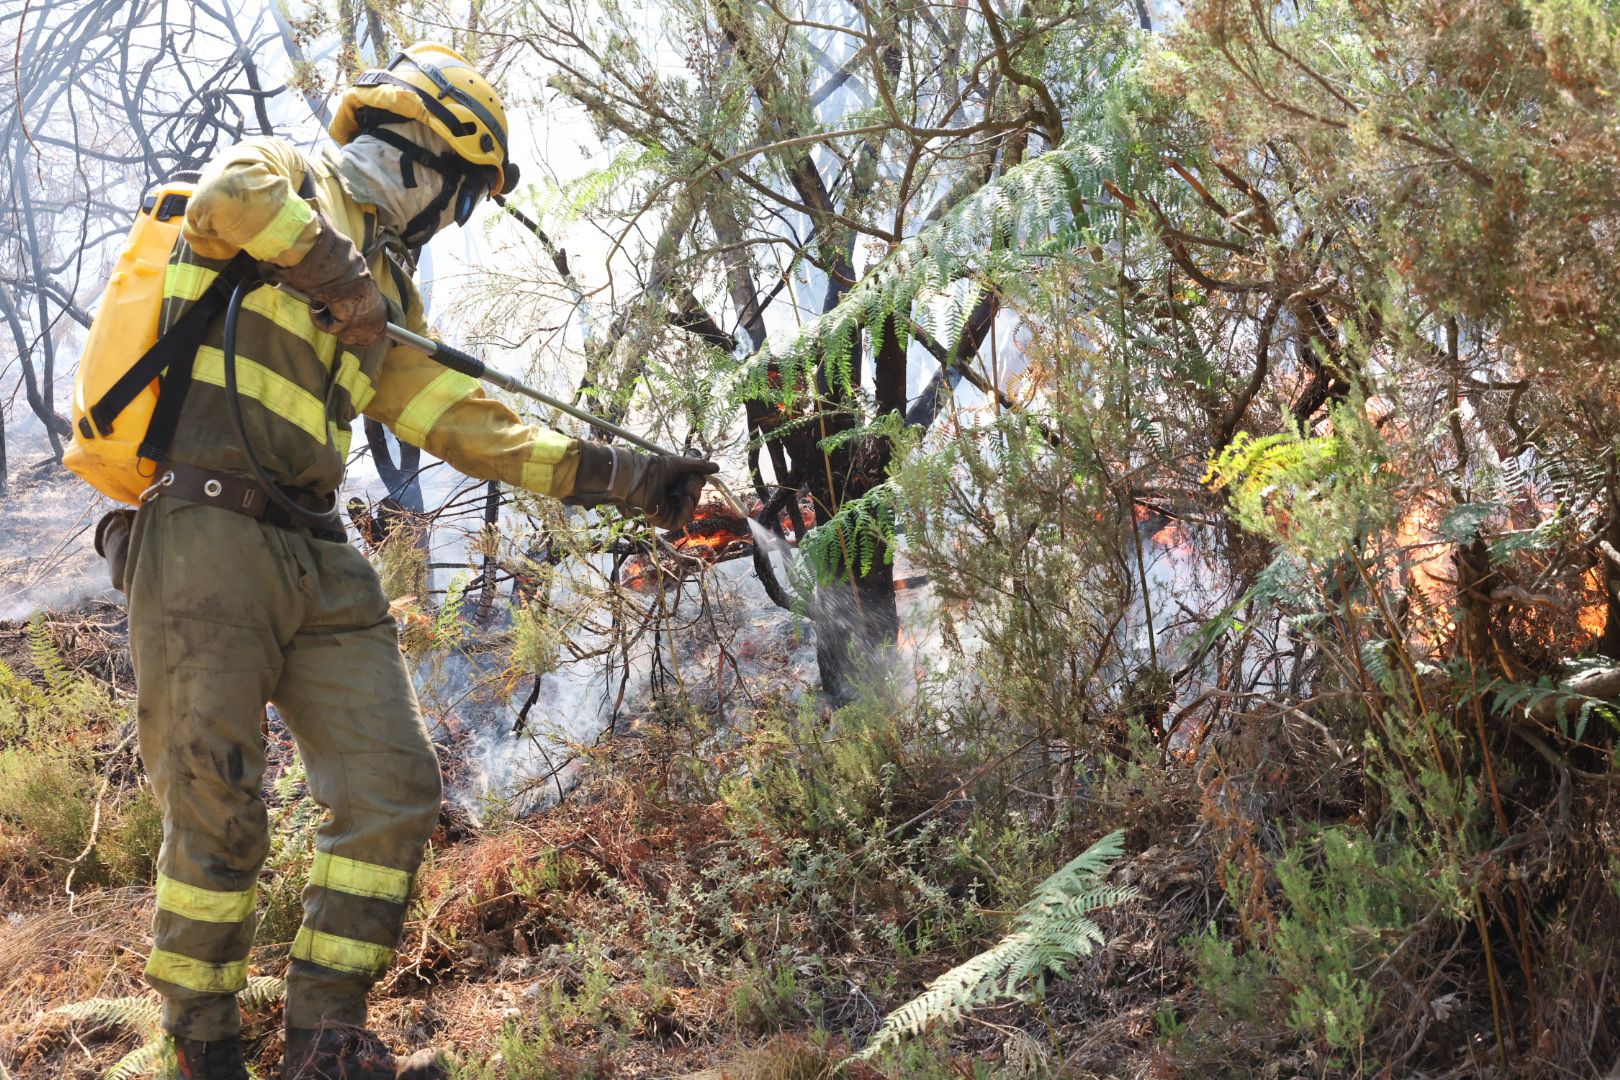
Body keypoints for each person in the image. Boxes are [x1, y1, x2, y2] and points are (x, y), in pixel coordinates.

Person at [120, 43, 718, 1080]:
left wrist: (627, 479)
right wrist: (333, 270)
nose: (455, 220)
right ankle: (203, 1051)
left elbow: (463, 423)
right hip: (205, 530)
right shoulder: (289, 179)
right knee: (218, 798)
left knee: (395, 782)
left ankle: (325, 1041)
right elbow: (225, 193)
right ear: (426, 155)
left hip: (314, 544)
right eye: (465, 195)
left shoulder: (387, 294)